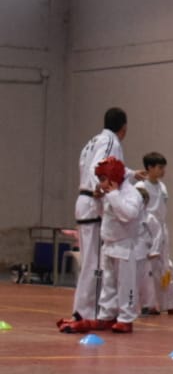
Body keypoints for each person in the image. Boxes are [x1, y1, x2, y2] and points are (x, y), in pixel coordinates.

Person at [59, 107, 129, 333]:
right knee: (96, 261)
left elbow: (98, 167)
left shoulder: (92, 141)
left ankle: (84, 309)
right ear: (123, 128)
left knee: (92, 259)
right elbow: (98, 167)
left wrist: (131, 173)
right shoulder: (111, 142)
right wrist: (100, 188)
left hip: (85, 201)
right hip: (92, 202)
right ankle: (90, 312)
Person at [91, 158, 145, 333]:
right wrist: (99, 199)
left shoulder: (132, 194)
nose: (101, 184)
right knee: (108, 283)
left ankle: (125, 318)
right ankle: (107, 314)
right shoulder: (110, 193)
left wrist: (113, 195)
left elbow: (127, 215)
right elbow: (102, 215)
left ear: (113, 177)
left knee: (125, 284)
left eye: (103, 179)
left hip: (126, 245)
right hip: (109, 243)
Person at [136, 152, 173, 316]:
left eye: (164, 167)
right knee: (148, 269)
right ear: (149, 168)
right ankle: (149, 304)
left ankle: (171, 304)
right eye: (160, 167)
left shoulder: (162, 186)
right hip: (146, 229)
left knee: (166, 266)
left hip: (161, 227)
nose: (163, 171)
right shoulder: (139, 187)